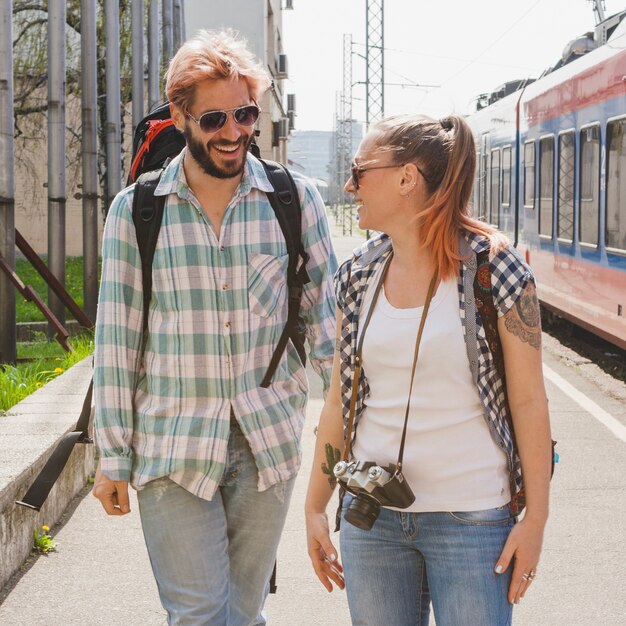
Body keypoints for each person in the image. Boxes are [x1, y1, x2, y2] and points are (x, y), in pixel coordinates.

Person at [92, 30, 337, 626]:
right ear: (179, 116)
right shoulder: (137, 210)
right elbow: (117, 343)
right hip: (172, 446)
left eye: (245, 113)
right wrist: (111, 456)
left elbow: (330, 335)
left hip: (267, 446)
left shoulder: (294, 201)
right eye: (214, 118)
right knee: (200, 614)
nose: (233, 131)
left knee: (243, 612)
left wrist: (350, 449)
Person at [305, 114, 552, 625]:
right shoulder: (358, 275)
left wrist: (536, 520)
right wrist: (314, 506)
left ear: (406, 178)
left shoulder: (496, 271)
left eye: (359, 171)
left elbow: (529, 402)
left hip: (472, 520)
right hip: (372, 520)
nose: (350, 186)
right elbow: (340, 401)